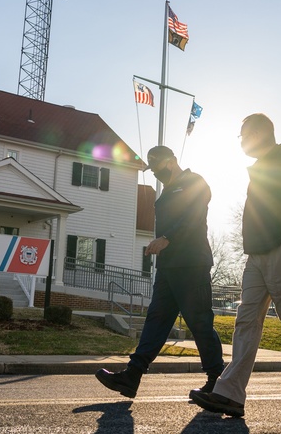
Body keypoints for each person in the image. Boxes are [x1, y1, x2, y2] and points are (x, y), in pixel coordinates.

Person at [190, 114, 281, 418]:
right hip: (255, 257)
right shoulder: (260, 168)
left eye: (243, 136)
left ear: (258, 133)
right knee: (246, 321)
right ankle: (231, 395)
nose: (241, 142)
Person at [95, 146, 224, 398]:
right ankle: (132, 376)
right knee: (156, 320)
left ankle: (217, 380)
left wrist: (167, 238)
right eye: (152, 168)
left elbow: (194, 216)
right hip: (168, 267)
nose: (155, 171)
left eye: (158, 165)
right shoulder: (164, 192)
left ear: (172, 161)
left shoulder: (195, 182)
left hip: (191, 264)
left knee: (199, 322)